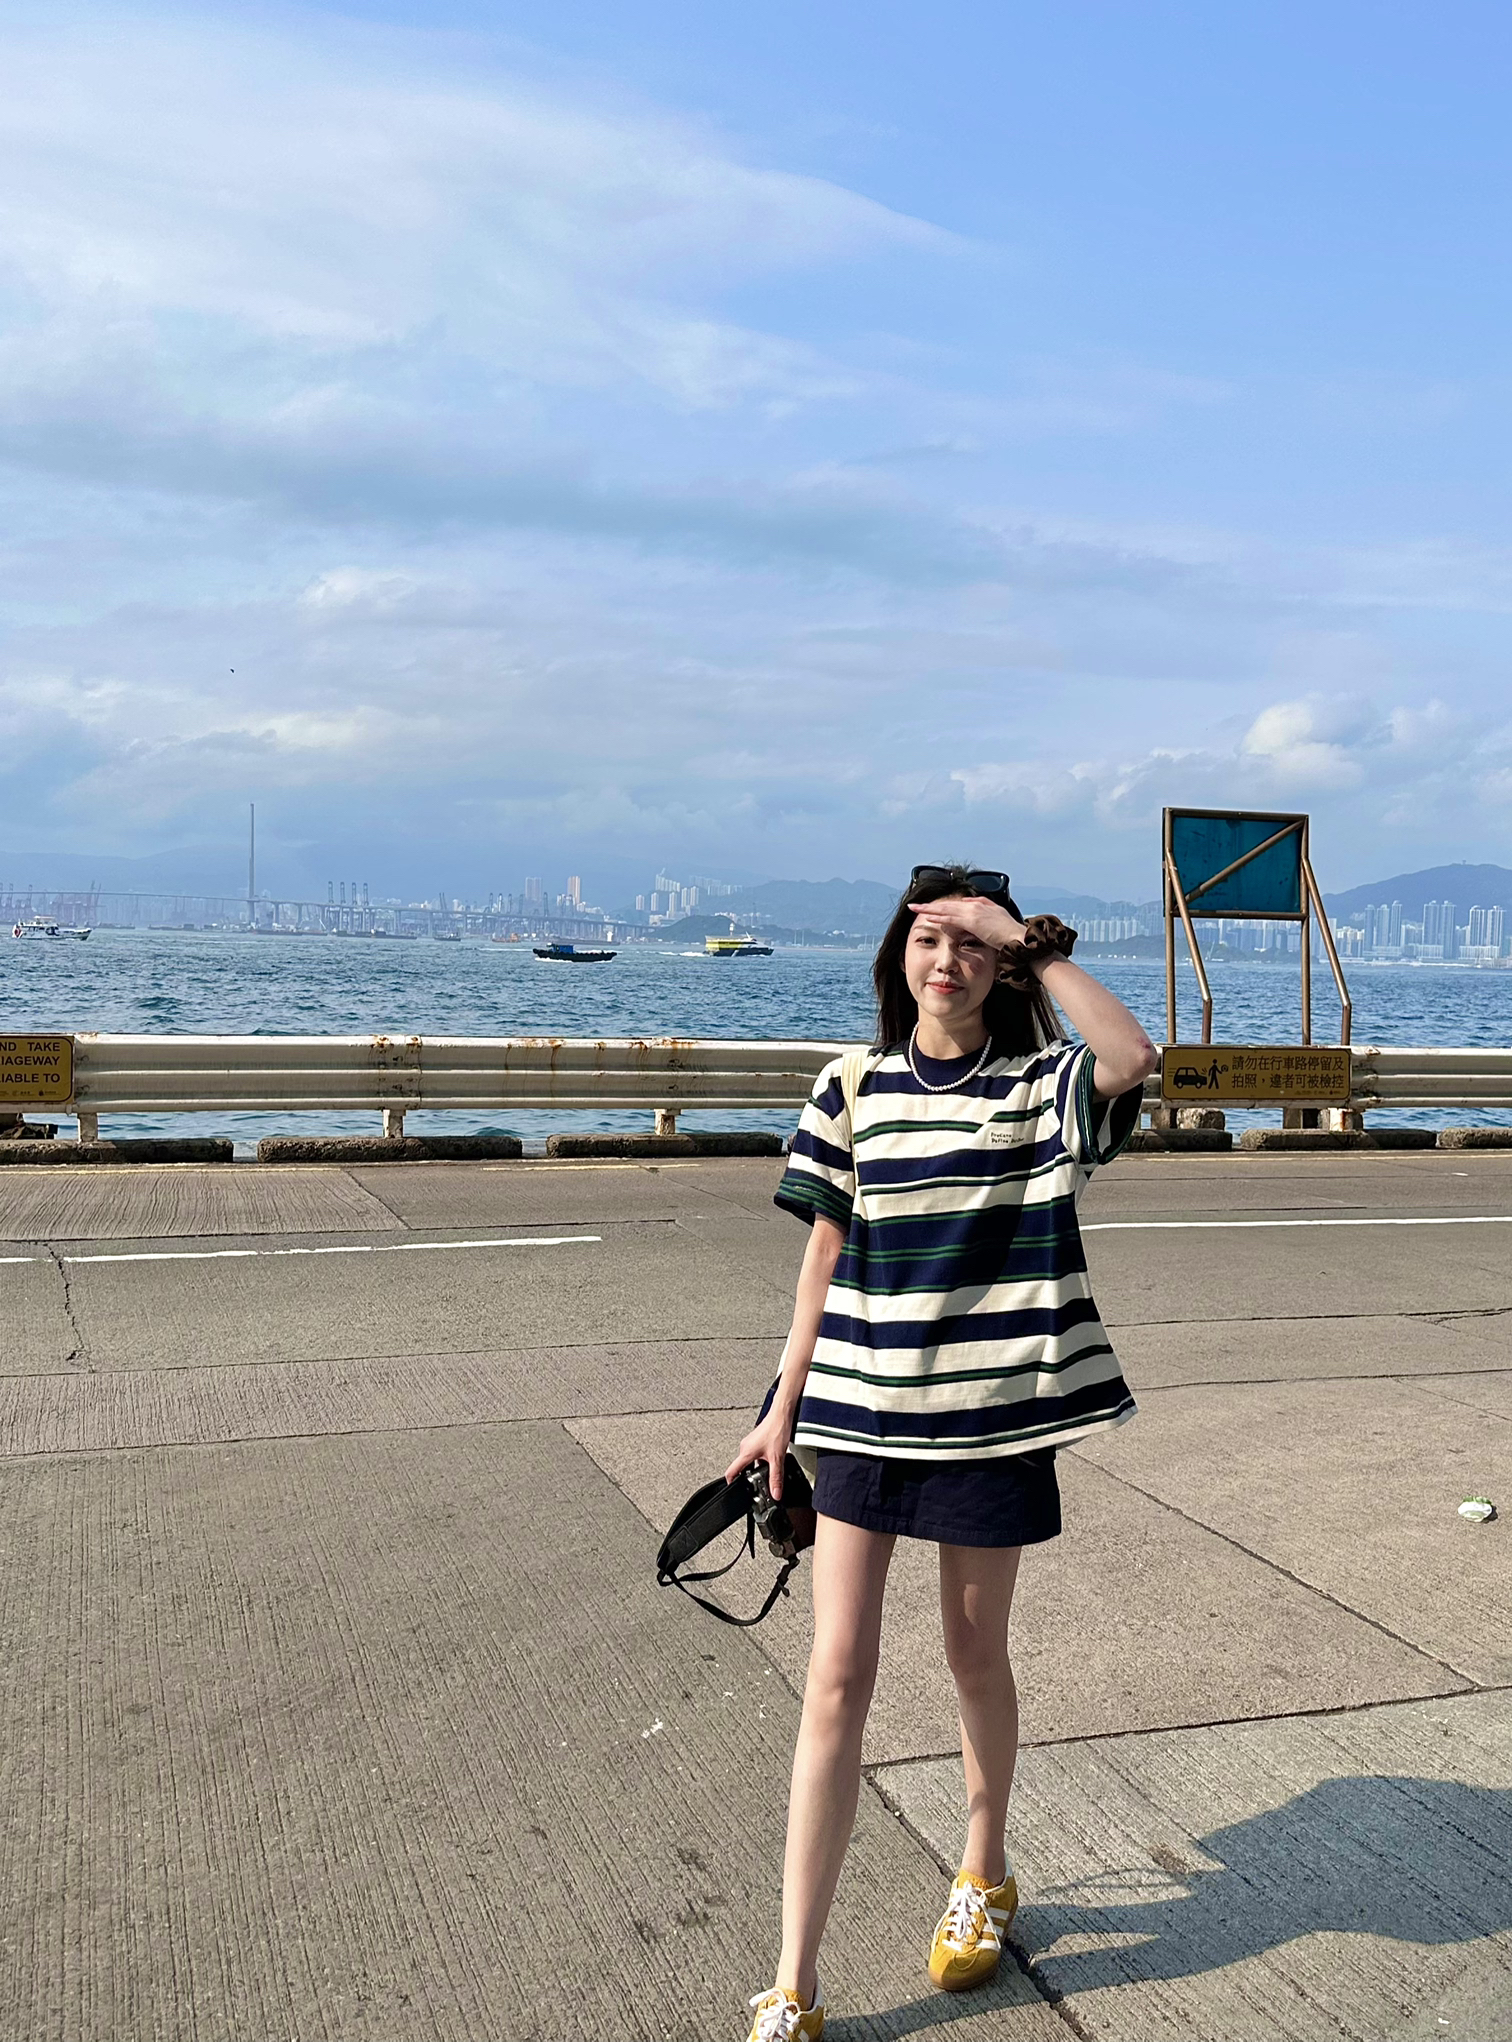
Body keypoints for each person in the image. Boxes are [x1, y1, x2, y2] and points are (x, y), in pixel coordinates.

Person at [728, 863, 1158, 2042]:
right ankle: (794, 1980)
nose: (947, 961)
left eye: (970, 945)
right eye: (929, 938)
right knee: (836, 1675)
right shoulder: (851, 1082)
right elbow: (822, 1259)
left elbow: (1129, 1057)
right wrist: (779, 1407)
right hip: (860, 1413)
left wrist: (1030, 940)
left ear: (1002, 967)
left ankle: (983, 1865)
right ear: (898, 957)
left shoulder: (1039, 1086)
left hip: (990, 1420)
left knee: (974, 1655)